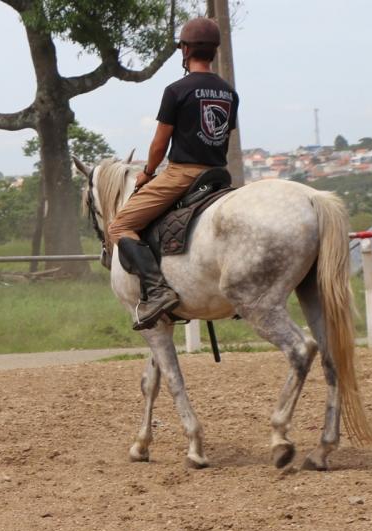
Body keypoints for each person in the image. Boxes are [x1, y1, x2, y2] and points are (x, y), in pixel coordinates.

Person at [108, 16, 238, 330]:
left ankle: (157, 289)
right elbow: (223, 134)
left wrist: (148, 173)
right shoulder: (229, 93)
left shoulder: (176, 90)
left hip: (181, 174)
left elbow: (159, 143)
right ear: (214, 51)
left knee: (119, 226)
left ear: (186, 49)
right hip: (218, 175)